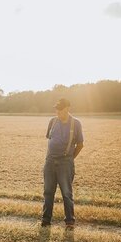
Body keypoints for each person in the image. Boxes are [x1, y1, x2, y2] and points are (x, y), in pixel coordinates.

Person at [42, 98, 84, 229]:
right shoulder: (52, 121)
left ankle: (70, 221)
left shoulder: (76, 123)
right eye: (57, 108)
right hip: (50, 161)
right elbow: (49, 138)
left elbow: (80, 145)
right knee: (48, 191)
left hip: (65, 162)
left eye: (60, 108)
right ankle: (46, 220)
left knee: (66, 192)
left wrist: (70, 158)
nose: (58, 111)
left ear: (68, 108)